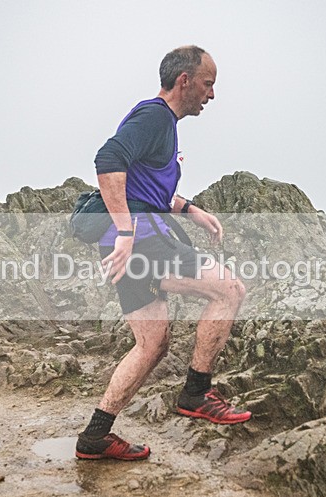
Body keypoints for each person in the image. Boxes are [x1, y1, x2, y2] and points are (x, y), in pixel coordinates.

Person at [75, 45, 250, 461]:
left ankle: (94, 436)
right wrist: (123, 231)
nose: (212, 95)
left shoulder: (161, 124)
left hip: (134, 241)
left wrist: (190, 209)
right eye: (208, 84)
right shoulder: (155, 116)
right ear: (185, 80)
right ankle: (196, 393)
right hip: (142, 240)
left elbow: (145, 187)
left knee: (151, 344)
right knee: (230, 290)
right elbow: (108, 160)